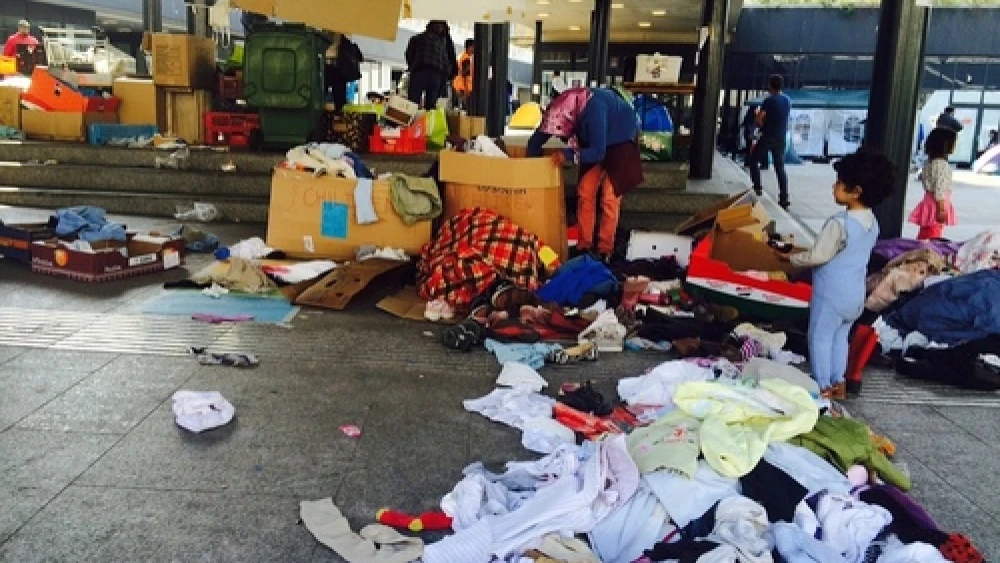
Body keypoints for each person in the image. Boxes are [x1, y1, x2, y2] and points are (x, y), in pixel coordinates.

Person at [774, 149, 896, 400]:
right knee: (841, 339)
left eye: (840, 183)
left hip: (831, 295)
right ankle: (839, 383)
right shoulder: (873, 223)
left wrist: (790, 258)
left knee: (819, 337)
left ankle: (822, 386)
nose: (834, 186)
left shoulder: (839, 223)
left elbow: (818, 255)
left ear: (856, 191)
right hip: (855, 296)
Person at [526, 87, 643, 261]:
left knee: (610, 197)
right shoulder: (560, 109)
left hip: (620, 140)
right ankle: (584, 246)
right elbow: (538, 139)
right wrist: (532, 165)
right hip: (594, 141)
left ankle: (605, 249)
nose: (562, 137)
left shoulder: (593, 109)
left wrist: (567, 154)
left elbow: (598, 152)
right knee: (585, 191)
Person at [748, 74, 792, 208]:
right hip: (781, 137)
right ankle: (784, 197)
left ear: (770, 86)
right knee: (780, 167)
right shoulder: (788, 100)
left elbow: (759, 120)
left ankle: (757, 187)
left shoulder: (769, 101)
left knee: (753, 159)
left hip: (768, 136)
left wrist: (757, 117)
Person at [908, 127, 958, 240]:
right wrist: (941, 209)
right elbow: (939, 190)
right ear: (946, 145)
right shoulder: (942, 165)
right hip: (936, 205)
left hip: (929, 202)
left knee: (926, 231)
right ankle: (925, 252)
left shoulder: (930, 163)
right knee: (933, 234)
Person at [404, 20, 457, 110]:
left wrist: (412, 67)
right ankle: (429, 121)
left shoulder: (416, 38)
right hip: (435, 74)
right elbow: (445, 61)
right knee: (431, 105)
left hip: (419, 71)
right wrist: (447, 76)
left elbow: (409, 54)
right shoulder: (442, 43)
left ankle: (412, 121)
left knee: (413, 102)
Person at [324, 35, 363, 112]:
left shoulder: (345, 40)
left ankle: (338, 115)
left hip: (337, 68)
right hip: (331, 67)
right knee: (336, 98)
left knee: (339, 99)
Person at [452, 39, 474, 109]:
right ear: (469, 47)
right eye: (473, 47)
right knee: (465, 109)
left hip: (460, 86)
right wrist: (466, 90)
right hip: (462, 87)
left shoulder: (463, 57)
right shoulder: (466, 59)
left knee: (461, 108)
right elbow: (465, 75)